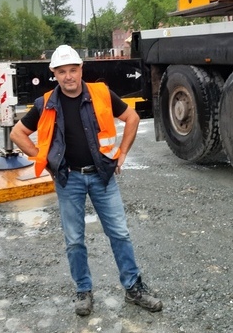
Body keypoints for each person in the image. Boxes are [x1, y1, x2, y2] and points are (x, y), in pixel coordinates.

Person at [10, 45, 162, 316]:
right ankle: (83, 290)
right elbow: (17, 133)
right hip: (69, 179)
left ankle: (133, 287)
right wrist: (44, 160)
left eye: (73, 70)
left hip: (102, 176)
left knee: (119, 233)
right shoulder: (46, 103)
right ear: (54, 73)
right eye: (62, 71)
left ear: (81, 69)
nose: (68, 76)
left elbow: (132, 117)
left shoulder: (101, 93)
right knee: (74, 240)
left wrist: (122, 153)